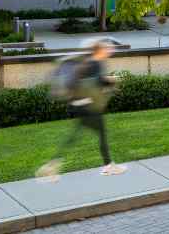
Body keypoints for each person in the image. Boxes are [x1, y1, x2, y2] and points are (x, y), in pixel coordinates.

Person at [36, 39, 127, 181]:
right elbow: (94, 82)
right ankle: (108, 166)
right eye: (107, 49)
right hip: (88, 106)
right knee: (96, 134)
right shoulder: (94, 63)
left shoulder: (89, 62)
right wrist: (111, 80)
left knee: (76, 136)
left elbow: (89, 81)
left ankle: (51, 167)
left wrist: (107, 80)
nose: (110, 51)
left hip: (80, 105)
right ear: (100, 50)